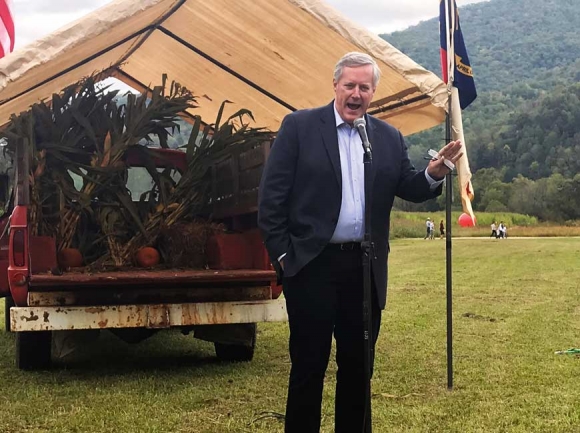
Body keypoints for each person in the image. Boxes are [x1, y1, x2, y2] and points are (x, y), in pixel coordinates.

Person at [258, 51, 463, 433]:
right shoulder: (299, 128)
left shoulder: (387, 137)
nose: (356, 93)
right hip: (312, 266)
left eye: (364, 87)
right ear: (335, 85)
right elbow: (271, 201)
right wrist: (286, 257)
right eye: (349, 85)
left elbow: (409, 186)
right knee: (308, 366)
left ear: (374, 93)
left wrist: (434, 173)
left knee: (358, 368)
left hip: (363, 270)